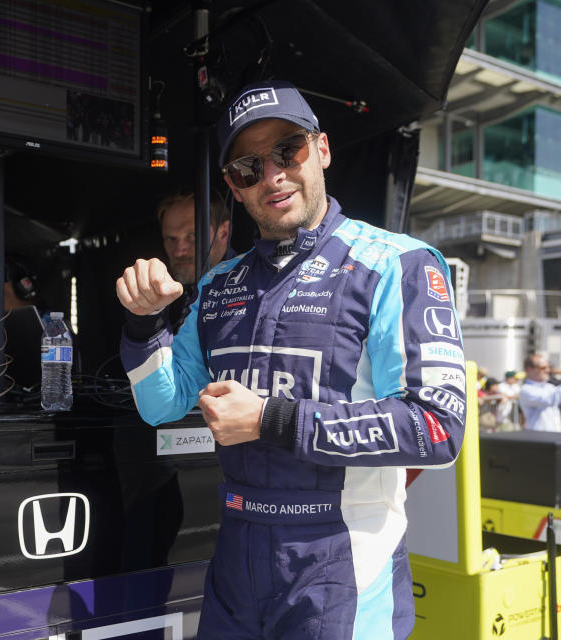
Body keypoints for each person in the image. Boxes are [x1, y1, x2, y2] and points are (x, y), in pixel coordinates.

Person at [116, 80, 465, 639]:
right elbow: (161, 406)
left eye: (288, 150)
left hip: (344, 559)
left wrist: (269, 419)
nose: (272, 175)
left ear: (321, 150)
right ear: (235, 186)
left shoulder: (397, 264)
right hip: (237, 555)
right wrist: (141, 323)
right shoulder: (218, 286)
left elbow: (438, 427)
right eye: (248, 168)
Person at [156, 191, 234, 331]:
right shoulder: (164, 294)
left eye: (192, 235)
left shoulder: (245, 289)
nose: (179, 251)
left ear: (224, 233)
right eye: (171, 239)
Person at [518, 352, 561, 432]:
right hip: (539, 439)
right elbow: (549, 399)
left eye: (548, 367)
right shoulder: (526, 390)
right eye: (543, 368)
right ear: (529, 369)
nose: (547, 370)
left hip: (555, 436)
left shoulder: (550, 387)